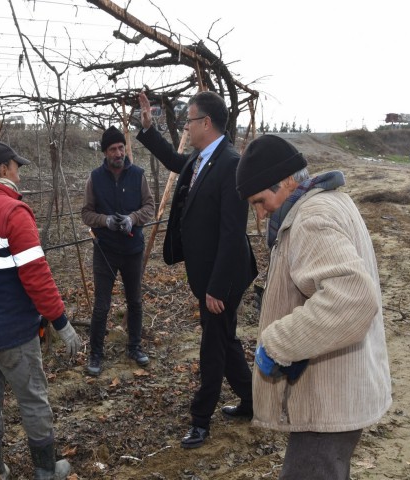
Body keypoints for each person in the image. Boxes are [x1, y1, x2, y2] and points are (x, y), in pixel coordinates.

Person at [236, 134, 392, 480]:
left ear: (287, 181)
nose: (260, 214)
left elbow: (353, 297)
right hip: (338, 391)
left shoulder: (310, 219)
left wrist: (279, 343)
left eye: (260, 201)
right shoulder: (333, 202)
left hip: (330, 403)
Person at [0, 141, 81, 480]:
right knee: (33, 400)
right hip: (13, 333)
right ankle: (45, 470)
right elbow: (36, 276)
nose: (19, 173)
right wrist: (61, 323)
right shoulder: (13, 212)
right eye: (16, 167)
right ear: (3, 169)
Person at [135, 91, 258, 449]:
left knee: (212, 346)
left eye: (189, 121)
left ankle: (201, 420)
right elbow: (176, 161)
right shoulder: (203, 158)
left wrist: (218, 288)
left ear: (206, 123)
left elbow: (233, 234)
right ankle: (253, 400)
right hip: (207, 272)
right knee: (224, 339)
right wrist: (148, 129)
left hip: (225, 275)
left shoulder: (231, 163)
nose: (186, 128)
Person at [81, 126, 155, 376]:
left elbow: (149, 206)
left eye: (121, 148)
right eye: (113, 149)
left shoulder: (138, 175)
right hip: (105, 251)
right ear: (104, 152)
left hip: (133, 249)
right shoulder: (95, 178)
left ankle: (134, 347)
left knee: (134, 301)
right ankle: (96, 354)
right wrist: (106, 221)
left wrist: (132, 219)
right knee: (102, 305)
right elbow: (86, 213)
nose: (118, 153)